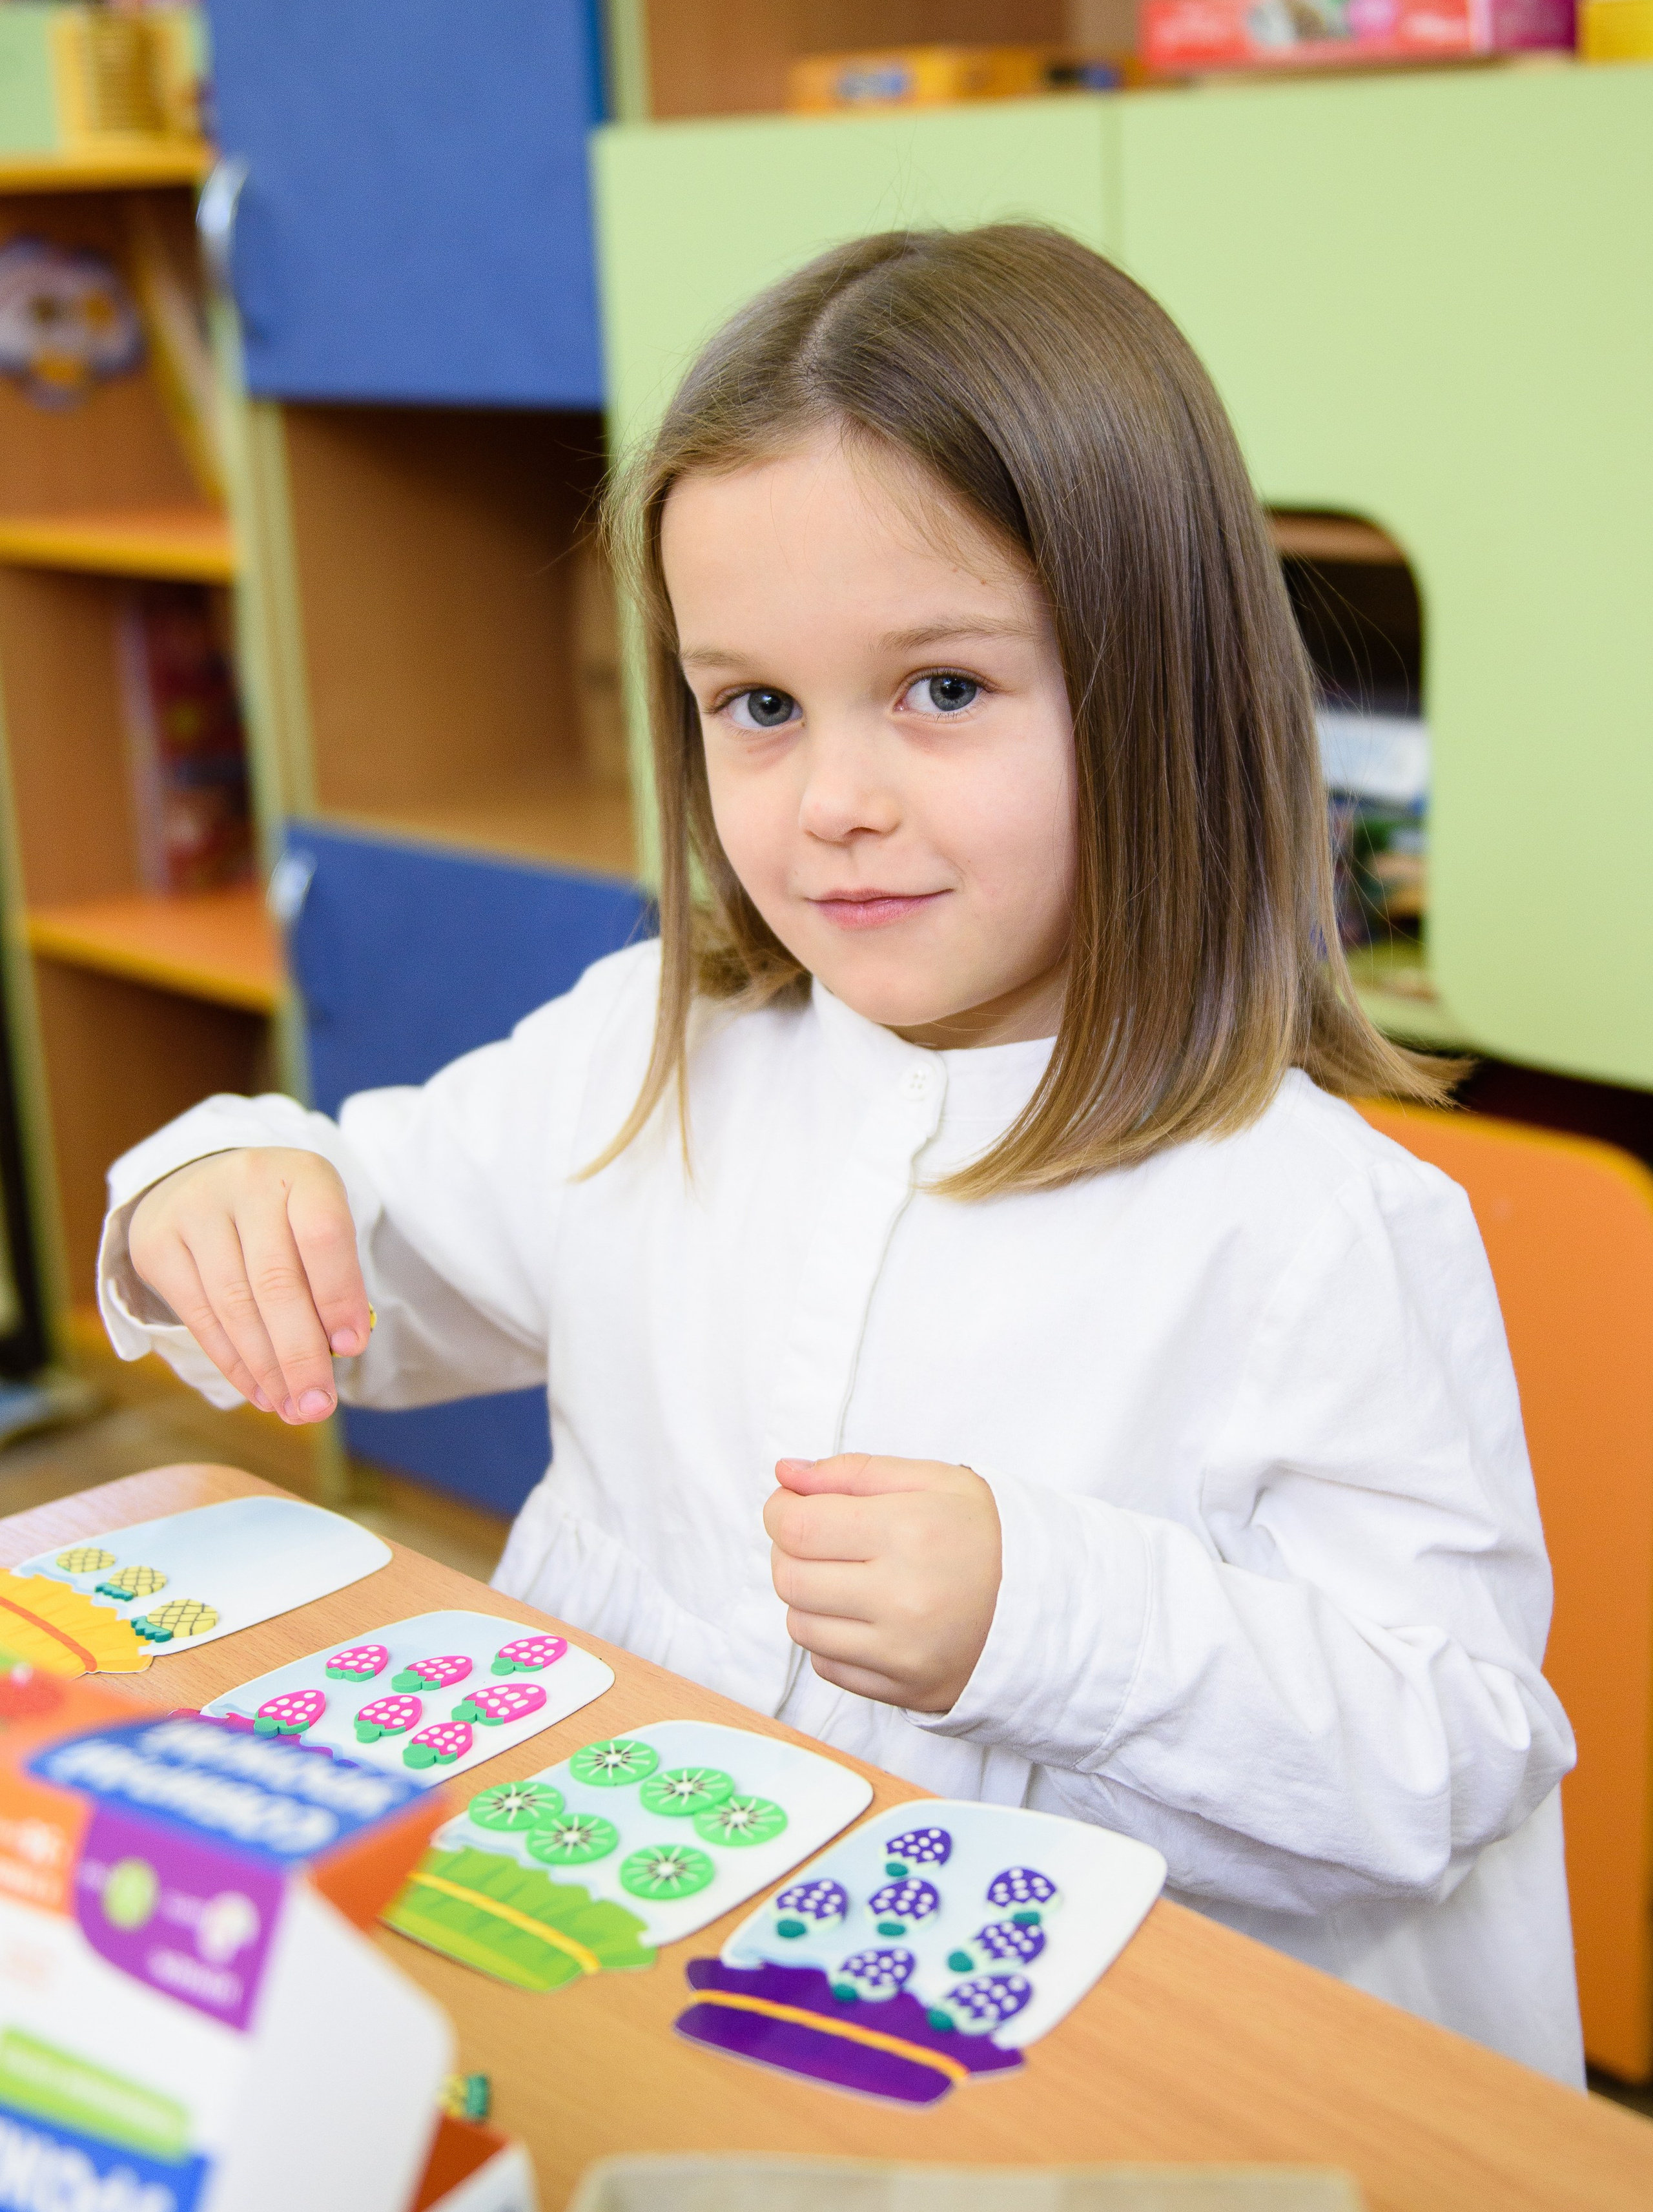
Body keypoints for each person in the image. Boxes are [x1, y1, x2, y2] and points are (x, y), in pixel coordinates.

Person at [99, 226, 1583, 2083]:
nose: (833, 803)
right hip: (660, 1980)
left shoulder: (1315, 1222)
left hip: (1099, 2080)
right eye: (758, 706)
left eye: (943, 689)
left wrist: (1048, 1618)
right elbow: (367, 1269)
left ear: (1161, 691)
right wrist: (217, 1192)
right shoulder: (656, 1046)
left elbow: (1446, 1754)